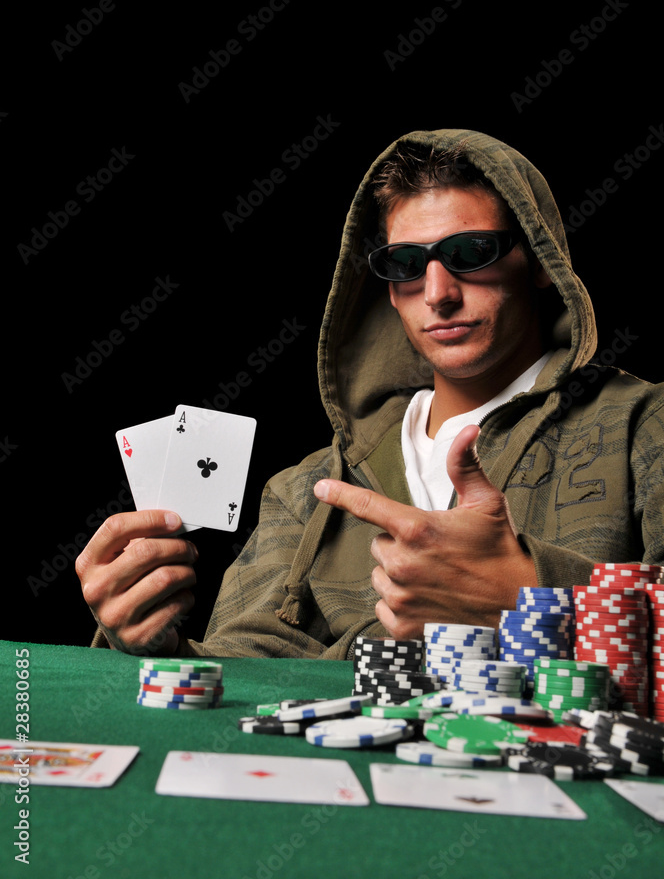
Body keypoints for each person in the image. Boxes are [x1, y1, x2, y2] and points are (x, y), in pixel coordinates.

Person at [76, 127, 664, 660]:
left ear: (538, 259)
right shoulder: (306, 490)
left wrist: (537, 600)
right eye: (406, 264)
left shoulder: (644, 427)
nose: (437, 292)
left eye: (470, 253)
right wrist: (154, 640)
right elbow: (244, 677)